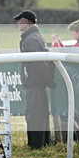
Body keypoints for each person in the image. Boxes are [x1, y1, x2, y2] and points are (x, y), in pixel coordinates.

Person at [14, 10, 55, 149]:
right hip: (39, 83)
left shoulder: (30, 39)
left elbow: (36, 64)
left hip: (35, 83)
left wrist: (46, 79)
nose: (18, 24)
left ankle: (36, 145)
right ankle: (43, 143)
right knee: (40, 113)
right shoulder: (35, 36)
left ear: (25, 21)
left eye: (20, 21)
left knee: (34, 114)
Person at [51, 20, 79, 141]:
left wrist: (55, 44)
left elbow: (64, 59)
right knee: (76, 114)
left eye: (74, 31)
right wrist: (59, 43)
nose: (72, 34)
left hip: (74, 83)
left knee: (72, 114)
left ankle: (78, 139)